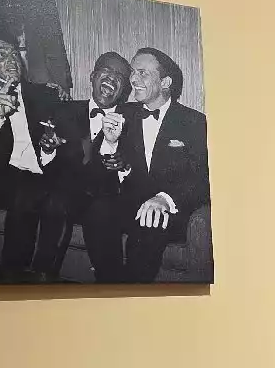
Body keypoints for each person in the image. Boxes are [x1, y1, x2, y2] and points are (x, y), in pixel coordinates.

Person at [83, 47, 210, 283]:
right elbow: (94, 172)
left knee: (150, 223)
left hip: (170, 210)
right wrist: (110, 143)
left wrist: (165, 199)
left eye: (142, 73)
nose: (133, 79)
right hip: (129, 203)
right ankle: (109, 285)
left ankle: (134, 292)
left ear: (165, 82)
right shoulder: (122, 113)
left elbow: (202, 178)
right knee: (98, 210)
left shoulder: (194, 122)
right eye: (133, 72)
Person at [0, 33, 80, 281]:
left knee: (59, 198)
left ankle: (44, 274)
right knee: (25, 190)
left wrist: (50, 149)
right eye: (1, 55)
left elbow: (72, 149)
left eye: (14, 54)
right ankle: (13, 273)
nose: (12, 60)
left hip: (45, 174)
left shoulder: (47, 95)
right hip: (4, 178)